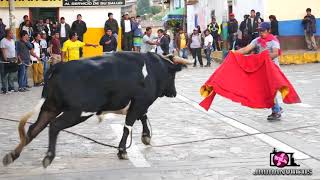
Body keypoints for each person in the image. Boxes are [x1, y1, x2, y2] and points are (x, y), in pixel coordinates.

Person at [236, 22, 282, 120]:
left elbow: (276, 53)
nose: (261, 33)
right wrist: (234, 53)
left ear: (269, 31)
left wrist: (262, 57)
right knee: (264, 89)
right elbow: (246, 49)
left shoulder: (274, 41)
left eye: (263, 31)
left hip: (272, 69)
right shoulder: (257, 40)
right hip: (262, 69)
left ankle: (276, 110)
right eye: (259, 31)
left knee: (270, 89)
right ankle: (277, 107)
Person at [0, 29, 18, 94]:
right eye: (11, 33)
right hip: (6, 60)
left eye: (12, 33)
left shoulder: (13, 41)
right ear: (7, 34)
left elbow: (14, 49)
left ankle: (11, 87)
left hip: (13, 58)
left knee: (11, 74)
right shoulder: (3, 41)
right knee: (4, 75)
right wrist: (6, 59)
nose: (12, 34)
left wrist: (16, 57)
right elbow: (3, 51)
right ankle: (4, 89)